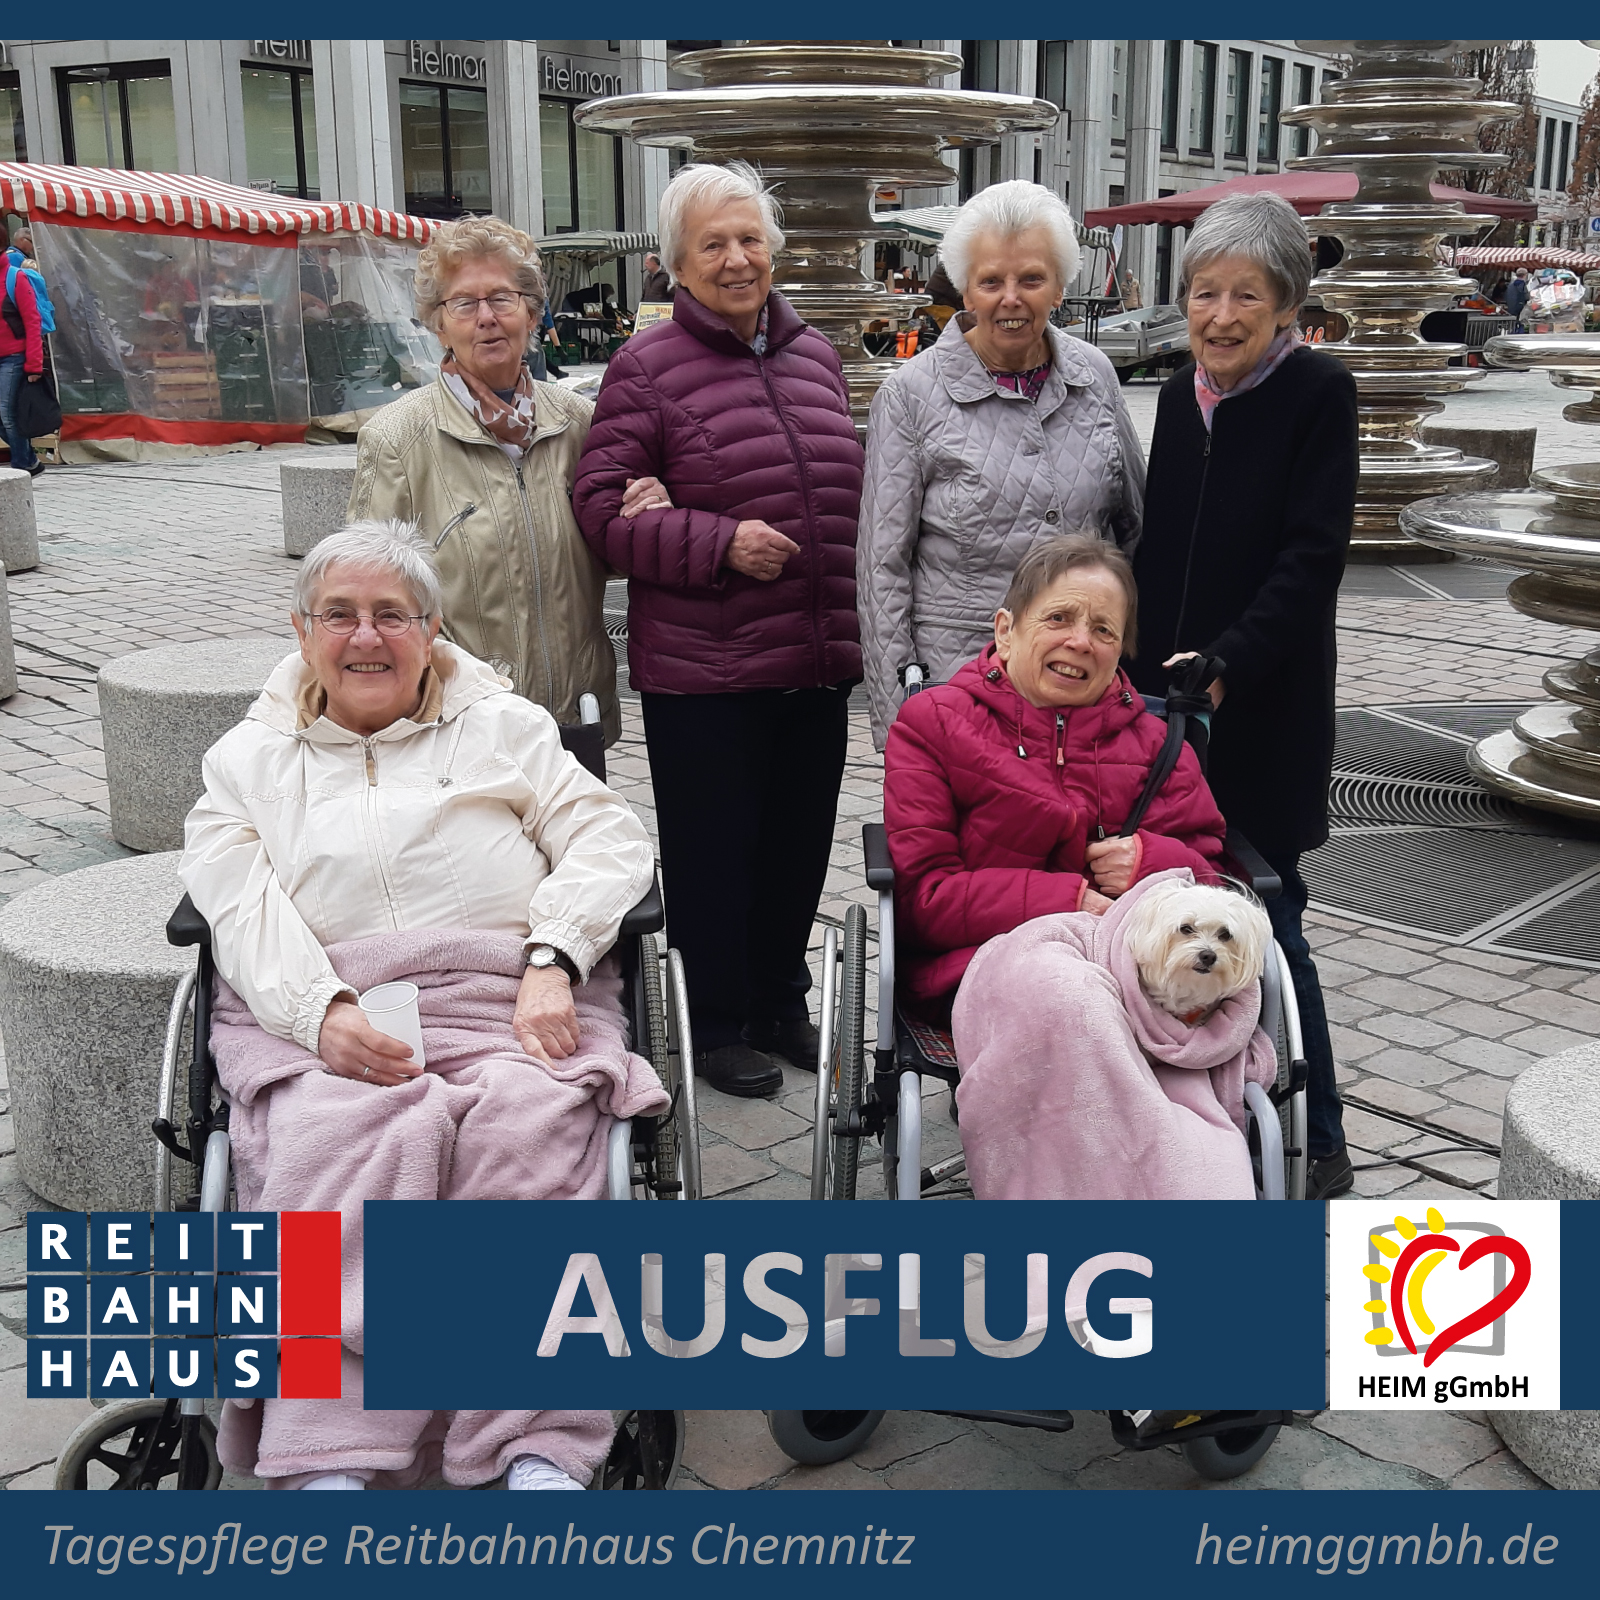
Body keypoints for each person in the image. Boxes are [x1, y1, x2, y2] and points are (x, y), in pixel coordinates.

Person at [180, 521, 665, 1491]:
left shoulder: (508, 727)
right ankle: (328, 1454)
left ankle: (537, 1446)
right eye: (340, 615)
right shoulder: (247, 761)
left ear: (432, 629)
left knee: (521, 1133)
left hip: (503, 995)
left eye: (391, 615)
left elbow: (612, 841)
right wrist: (320, 1009)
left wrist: (553, 955)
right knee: (331, 1140)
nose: (366, 636)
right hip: (334, 1006)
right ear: (301, 629)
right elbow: (236, 900)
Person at [574, 161, 863, 1099]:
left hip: (816, 654)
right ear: (676, 266)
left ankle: (783, 1002)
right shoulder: (645, 367)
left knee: (796, 843)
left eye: (751, 240)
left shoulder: (815, 353)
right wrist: (716, 539)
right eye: (714, 245)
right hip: (706, 665)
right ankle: (716, 1020)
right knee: (714, 852)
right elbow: (601, 512)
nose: (738, 259)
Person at [885, 535, 1272, 1200]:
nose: (1080, 642)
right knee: (1071, 998)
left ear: (1121, 650)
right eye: (1058, 618)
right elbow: (925, 899)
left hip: (1133, 968)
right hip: (983, 963)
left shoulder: (1158, 743)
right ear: (1005, 631)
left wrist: (1150, 861)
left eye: (1103, 629)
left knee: (1104, 1000)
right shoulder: (934, 723)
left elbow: (1210, 880)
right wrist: (1068, 898)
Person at [1125, 190, 1358, 1201]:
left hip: (1260, 711)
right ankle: (1190, 1112)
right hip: (1163, 711)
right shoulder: (1181, 397)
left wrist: (1228, 656)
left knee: (1270, 916)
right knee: (1164, 908)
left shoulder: (1318, 395)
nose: (1220, 316)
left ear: (1287, 308)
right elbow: (1161, 543)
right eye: (1203, 293)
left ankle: (1322, 1132)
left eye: (1245, 297)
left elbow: (1311, 562)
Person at [857, 180, 1145, 749]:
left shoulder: (1096, 378)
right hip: (959, 691)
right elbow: (881, 573)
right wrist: (901, 729)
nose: (1010, 298)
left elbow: (1136, 530)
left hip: (1080, 687)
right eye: (991, 281)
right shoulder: (911, 395)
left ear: (1060, 286)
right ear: (966, 289)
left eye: (1031, 279)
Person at [346, 215, 651, 745]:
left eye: (502, 299)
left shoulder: (579, 422)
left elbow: (613, 558)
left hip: (576, 716)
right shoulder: (396, 438)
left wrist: (644, 514)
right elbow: (367, 601)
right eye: (464, 303)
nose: (486, 317)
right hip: (460, 725)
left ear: (532, 313)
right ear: (438, 324)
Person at [0, 223, 46, 478]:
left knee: (7, 414)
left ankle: (20, 468)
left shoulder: (16, 277)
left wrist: (34, 365)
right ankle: (29, 461)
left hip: (13, 357)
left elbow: (32, 321)